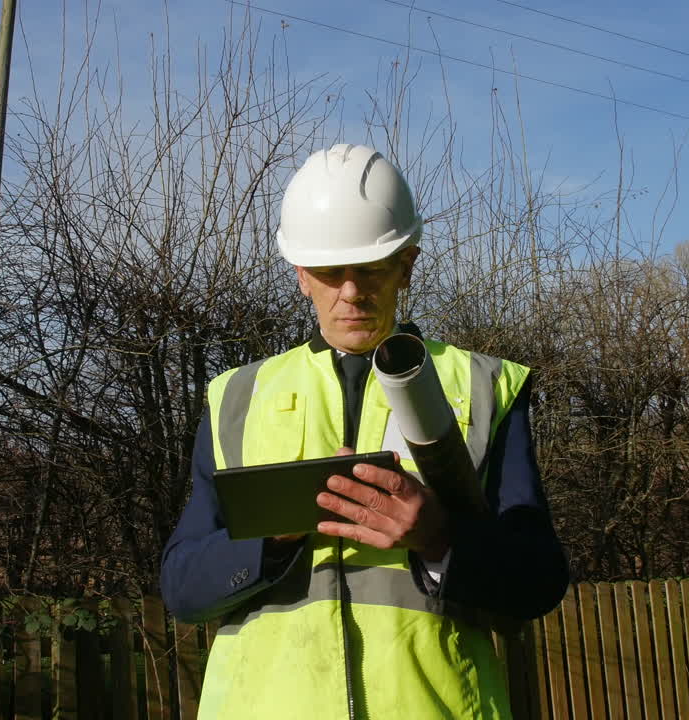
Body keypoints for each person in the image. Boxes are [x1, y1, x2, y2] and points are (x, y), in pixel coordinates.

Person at [160, 143, 568, 719]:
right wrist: (271, 540)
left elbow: (537, 582)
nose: (351, 292)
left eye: (371, 268)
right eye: (330, 273)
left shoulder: (485, 386)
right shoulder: (237, 398)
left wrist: (438, 537)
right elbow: (181, 588)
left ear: (407, 265)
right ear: (301, 275)